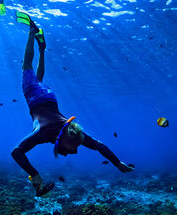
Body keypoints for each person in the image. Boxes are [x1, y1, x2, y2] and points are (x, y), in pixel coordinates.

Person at [11, 12, 135, 196]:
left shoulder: (75, 135)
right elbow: (16, 152)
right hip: (36, 99)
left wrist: (118, 164)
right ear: (66, 139)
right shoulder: (45, 132)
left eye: (75, 146)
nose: (75, 151)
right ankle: (31, 32)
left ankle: (42, 49)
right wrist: (34, 173)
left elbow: (99, 145)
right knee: (26, 67)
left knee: (38, 79)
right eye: (74, 147)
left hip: (50, 97)